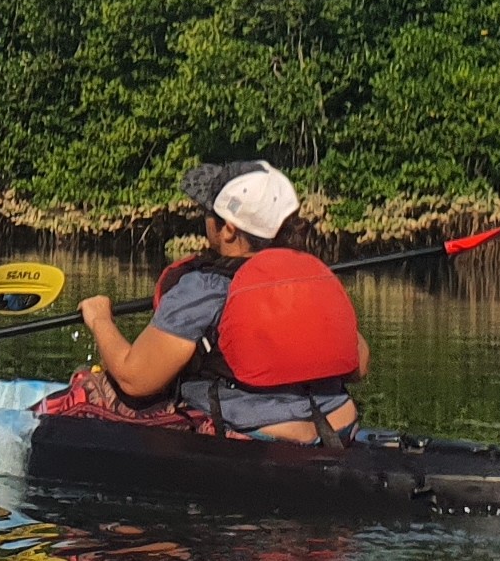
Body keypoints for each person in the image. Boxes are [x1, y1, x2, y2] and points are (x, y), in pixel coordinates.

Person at [73, 161, 368, 443]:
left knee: (91, 387)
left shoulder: (205, 286)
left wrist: (100, 319)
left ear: (228, 228)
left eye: (207, 212)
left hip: (255, 434)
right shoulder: (309, 276)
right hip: (338, 425)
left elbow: (135, 380)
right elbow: (359, 365)